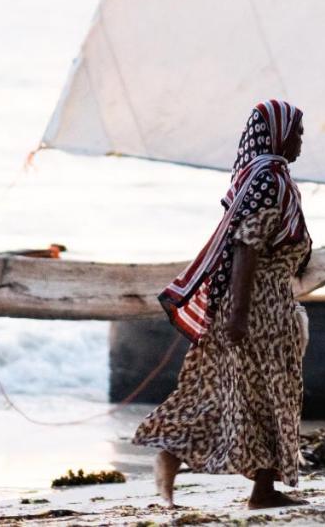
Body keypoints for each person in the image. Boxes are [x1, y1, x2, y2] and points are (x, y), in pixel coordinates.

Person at [132, 100, 312, 509]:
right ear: (278, 134)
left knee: (231, 391)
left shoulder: (261, 176)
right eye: (297, 132)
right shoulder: (269, 178)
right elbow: (247, 246)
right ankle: (256, 489)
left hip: (258, 299)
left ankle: (181, 457)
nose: (300, 141)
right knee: (269, 392)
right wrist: (239, 316)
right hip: (259, 304)